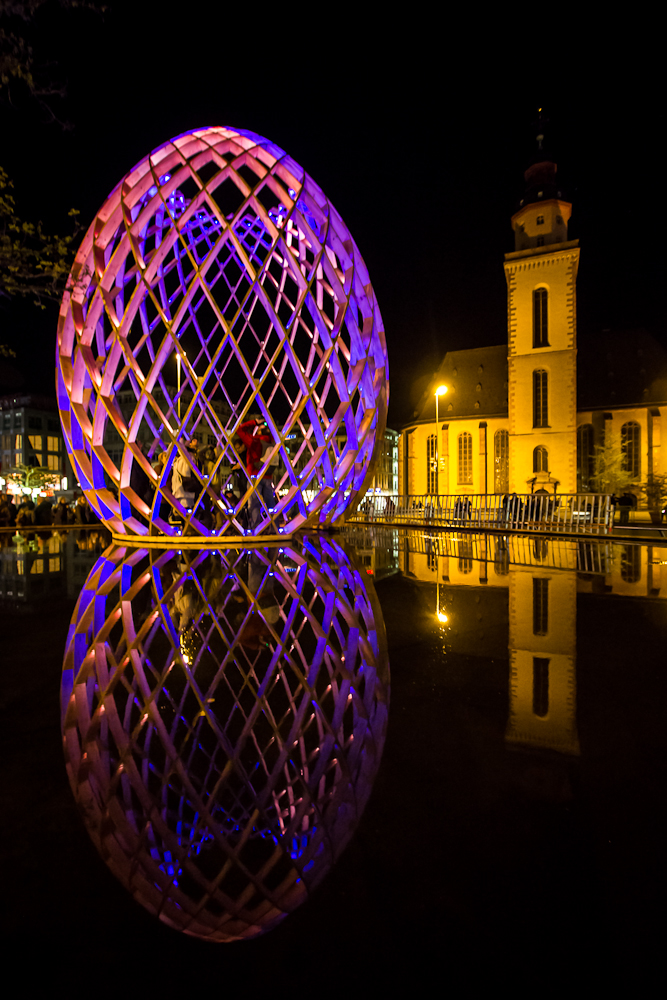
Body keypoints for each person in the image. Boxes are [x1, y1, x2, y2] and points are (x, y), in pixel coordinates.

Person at [236, 417, 278, 531]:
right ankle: (275, 528)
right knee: (270, 504)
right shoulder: (273, 441)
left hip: (255, 477)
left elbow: (239, 430)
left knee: (254, 504)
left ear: (258, 431)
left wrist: (254, 422)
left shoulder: (254, 440)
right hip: (268, 477)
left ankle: (256, 529)